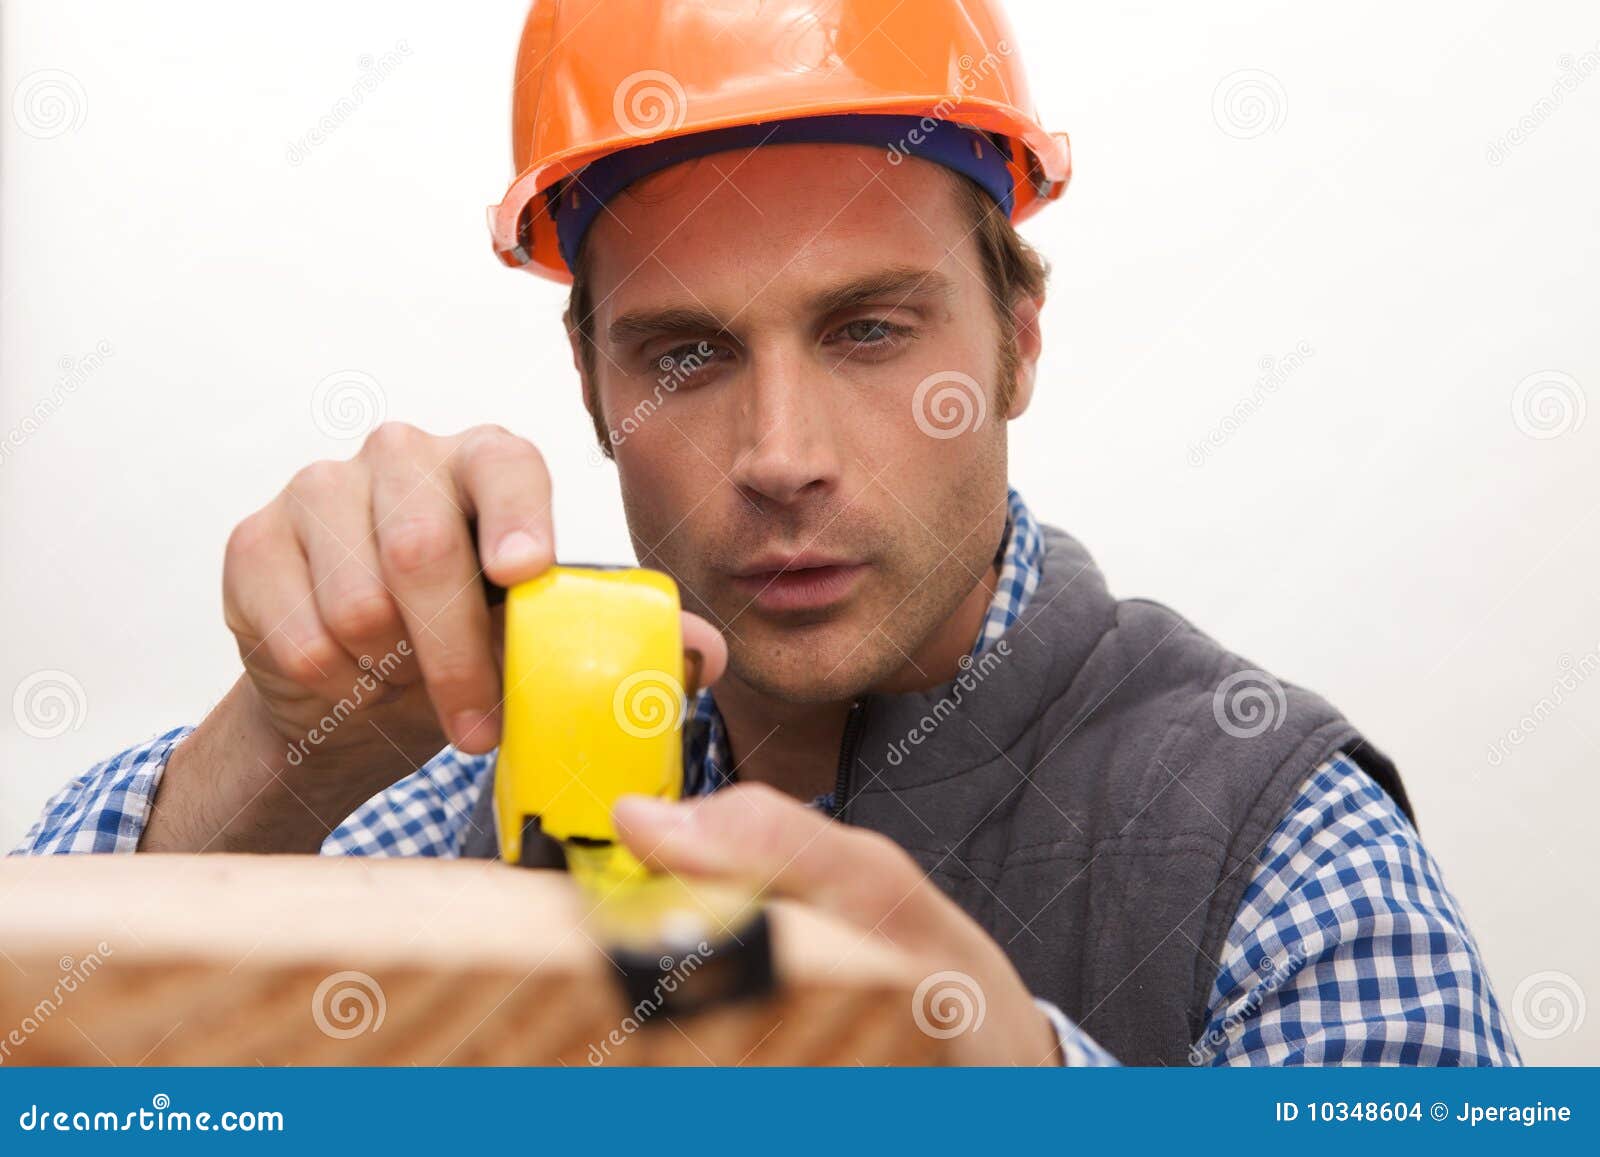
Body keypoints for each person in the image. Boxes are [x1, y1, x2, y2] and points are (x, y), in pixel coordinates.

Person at [12, 0, 1518, 1067]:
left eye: (868, 329)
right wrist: (274, 756)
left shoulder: (1280, 847)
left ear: (1015, 343)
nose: (780, 458)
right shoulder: (473, 778)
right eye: (686, 355)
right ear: (592, 389)